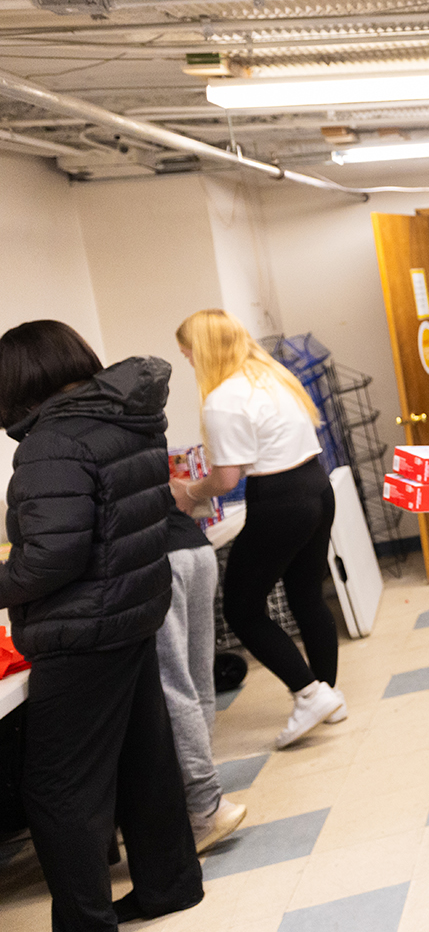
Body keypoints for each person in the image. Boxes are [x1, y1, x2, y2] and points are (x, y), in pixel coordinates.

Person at [0, 321, 204, 931]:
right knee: (145, 760)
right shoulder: (124, 417)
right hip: (130, 611)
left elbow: (50, 560)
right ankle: (169, 886)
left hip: (82, 629)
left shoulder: (52, 440)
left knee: (60, 788)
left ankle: (85, 922)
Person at [171, 310, 344, 750]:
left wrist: (189, 492)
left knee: (243, 609)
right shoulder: (272, 377)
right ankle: (328, 694)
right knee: (306, 594)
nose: (188, 359)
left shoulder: (223, 399)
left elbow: (227, 479)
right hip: (316, 487)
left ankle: (308, 694)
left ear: (205, 350)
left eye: (188, 351)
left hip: (280, 500)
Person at [158, 489, 248, 851]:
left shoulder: (70, 443)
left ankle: (205, 806)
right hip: (194, 546)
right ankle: (204, 797)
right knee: (197, 680)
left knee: (173, 684)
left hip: (161, 559)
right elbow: (178, 491)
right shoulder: (135, 431)